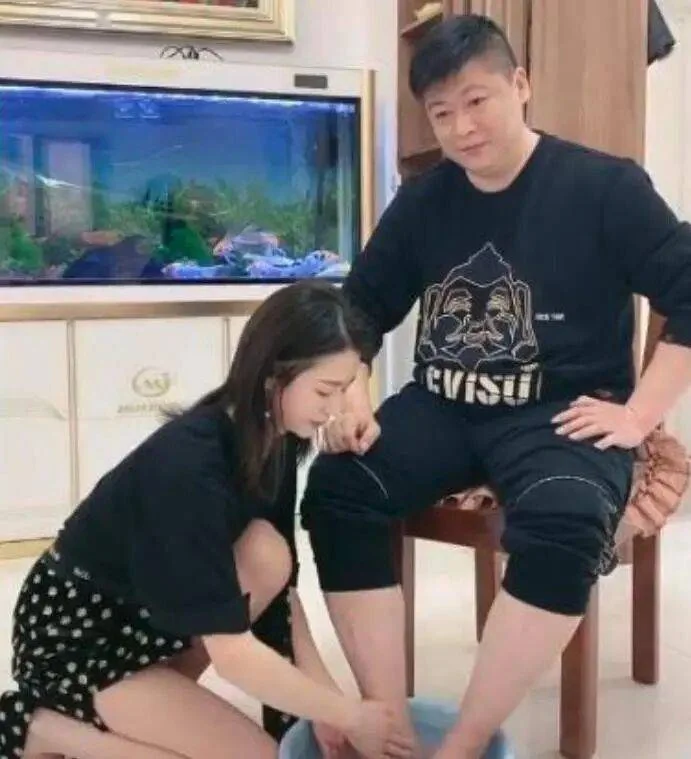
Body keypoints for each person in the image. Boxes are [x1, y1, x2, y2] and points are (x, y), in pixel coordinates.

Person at [300, 14, 691, 759]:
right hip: (443, 404)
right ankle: (389, 719)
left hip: (563, 413)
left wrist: (641, 413)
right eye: (441, 113)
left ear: (520, 85)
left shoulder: (604, 187)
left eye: (476, 101)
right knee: (338, 486)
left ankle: (466, 742)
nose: (461, 128)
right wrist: (349, 390)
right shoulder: (424, 201)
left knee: (564, 522)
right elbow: (360, 308)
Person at [0, 280, 416, 759]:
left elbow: (281, 602)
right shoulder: (190, 467)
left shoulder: (275, 439)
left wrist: (323, 709)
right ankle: (42, 728)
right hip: (78, 637)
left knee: (268, 553)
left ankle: (149, 705)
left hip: (147, 617)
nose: (337, 409)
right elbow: (233, 653)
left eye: (346, 390)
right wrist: (349, 715)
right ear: (273, 376)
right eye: (327, 390)